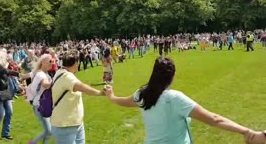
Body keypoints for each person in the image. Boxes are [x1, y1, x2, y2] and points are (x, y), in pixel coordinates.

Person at [104, 57, 266, 144]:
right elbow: (214, 119)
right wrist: (247, 132)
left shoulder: (142, 94)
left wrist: (111, 95)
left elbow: (121, 101)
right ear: (172, 77)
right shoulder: (174, 98)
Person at [50, 50, 105, 144]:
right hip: (65, 126)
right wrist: (100, 93)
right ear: (76, 63)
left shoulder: (60, 72)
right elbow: (81, 86)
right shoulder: (67, 76)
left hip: (75, 122)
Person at [0, 50, 25, 140]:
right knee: (1, 114)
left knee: (9, 112)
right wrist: (19, 74)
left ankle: (5, 134)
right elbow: (6, 71)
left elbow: (6, 71)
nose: (6, 59)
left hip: (5, 92)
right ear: (1, 58)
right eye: (5, 58)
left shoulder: (0, 67)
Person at [28, 54, 54, 144]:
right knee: (49, 131)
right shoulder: (41, 74)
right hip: (40, 105)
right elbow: (45, 84)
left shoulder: (44, 73)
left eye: (53, 61)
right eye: (50, 61)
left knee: (48, 131)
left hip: (45, 104)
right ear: (43, 62)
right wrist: (55, 82)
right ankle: (32, 142)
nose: (52, 63)